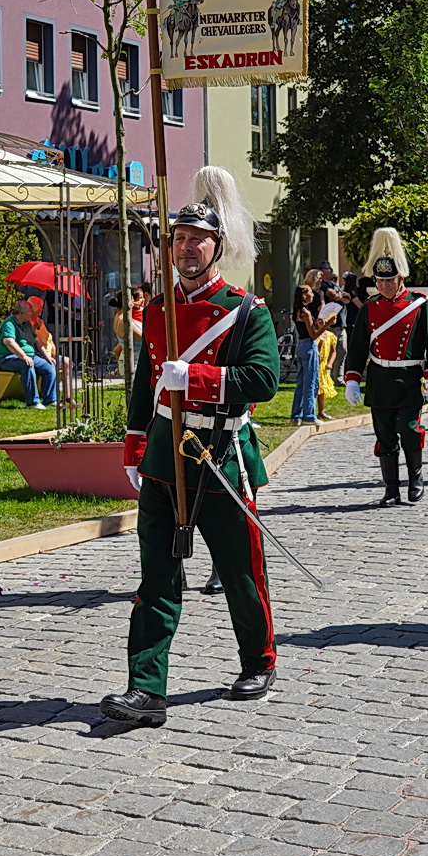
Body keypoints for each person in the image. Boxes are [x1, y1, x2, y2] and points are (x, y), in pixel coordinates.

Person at [103, 166, 280, 727]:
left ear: (216, 246)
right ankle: (146, 690)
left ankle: (259, 659)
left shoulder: (247, 311)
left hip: (219, 456)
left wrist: (199, 378)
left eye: (195, 239)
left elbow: (264, 381)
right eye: (177, 239)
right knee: (157, 577)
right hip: (162, 458)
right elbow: (144, 385)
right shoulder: (156, 310)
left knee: (240, 572)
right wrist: (134, 447)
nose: (184, 248)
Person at [343, 227, 428, 505]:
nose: (385, 285)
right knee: (384, 435)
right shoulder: (370, 307)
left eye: (390, 280)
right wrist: (352, 378)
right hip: (380, 378)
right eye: (380, 280)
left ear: (401, 278)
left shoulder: (419, 305)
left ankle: (416, 478)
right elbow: (359, 345)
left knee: (410, 429)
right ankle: (391, 488)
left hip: (410, 378)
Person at [0, 299, 56, 409]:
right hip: (8, 357)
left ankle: (50, 399)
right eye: (29, 312)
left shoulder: (27, 323)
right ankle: (33, 402)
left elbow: (37, 341)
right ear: (20, 313)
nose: (31, 314)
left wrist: (48, 358)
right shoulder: (9, 324)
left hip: (30, 356)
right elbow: (9, 342)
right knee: (27, 365)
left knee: (49, 367)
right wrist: (23, 357)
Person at [289, 283, 320, 423]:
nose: (312, 295)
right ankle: (309, 416)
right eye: (310, 292)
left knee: (301, 383)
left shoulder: (297, 311)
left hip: (300, 345)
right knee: (311, 383)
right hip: (308, 345)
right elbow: (313, 335)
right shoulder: (306, 313)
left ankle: (296, 415)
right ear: (304, 295)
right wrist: (327, 325)